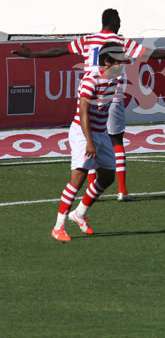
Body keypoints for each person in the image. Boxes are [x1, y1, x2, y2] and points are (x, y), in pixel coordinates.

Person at [12, 8, 165, 201]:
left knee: (92, 136)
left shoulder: (88, 40)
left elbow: (59, 51)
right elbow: (154, 54)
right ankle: (122, 190)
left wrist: (33, 55)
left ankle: (91, 192)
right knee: (116, 140)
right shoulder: (121, 42)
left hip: (91, 92)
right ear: (115, 23)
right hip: (113, 94)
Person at [50, 42, 127, 242]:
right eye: (119, 61)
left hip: (100, 133)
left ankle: (79, 213)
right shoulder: (91, 80)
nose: (123, 64)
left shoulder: (114, 79)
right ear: (108, 61)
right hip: (83, 133)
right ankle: (58, 226)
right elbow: (83, 111)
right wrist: (89, 142)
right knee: (78, 176)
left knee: (108, 176)